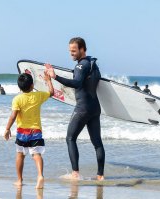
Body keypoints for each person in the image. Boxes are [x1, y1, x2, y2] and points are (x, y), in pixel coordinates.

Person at [45, 37, 105, 181]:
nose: (71, 53)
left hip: (82, 108)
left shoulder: (80, 66)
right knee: (97, 143)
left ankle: (75, 173)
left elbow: (77, 83)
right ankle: (100, 175)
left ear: (82, 49)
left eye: (74, 50)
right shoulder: (93, 64)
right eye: (70, 51)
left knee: (70, 138)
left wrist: (55, 77)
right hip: (95, 108)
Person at [4, 72, 54, 189]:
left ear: (19, 86)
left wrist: (7, 129)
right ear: (32, 86)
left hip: (22, 133)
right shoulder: (38, 96)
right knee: (37, 155)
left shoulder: (17, 99)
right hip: (36, 132)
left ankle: (19, 180)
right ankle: (40, 175)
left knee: (20, 155)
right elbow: (52, 93)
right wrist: (48, 80)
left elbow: (13, 116)